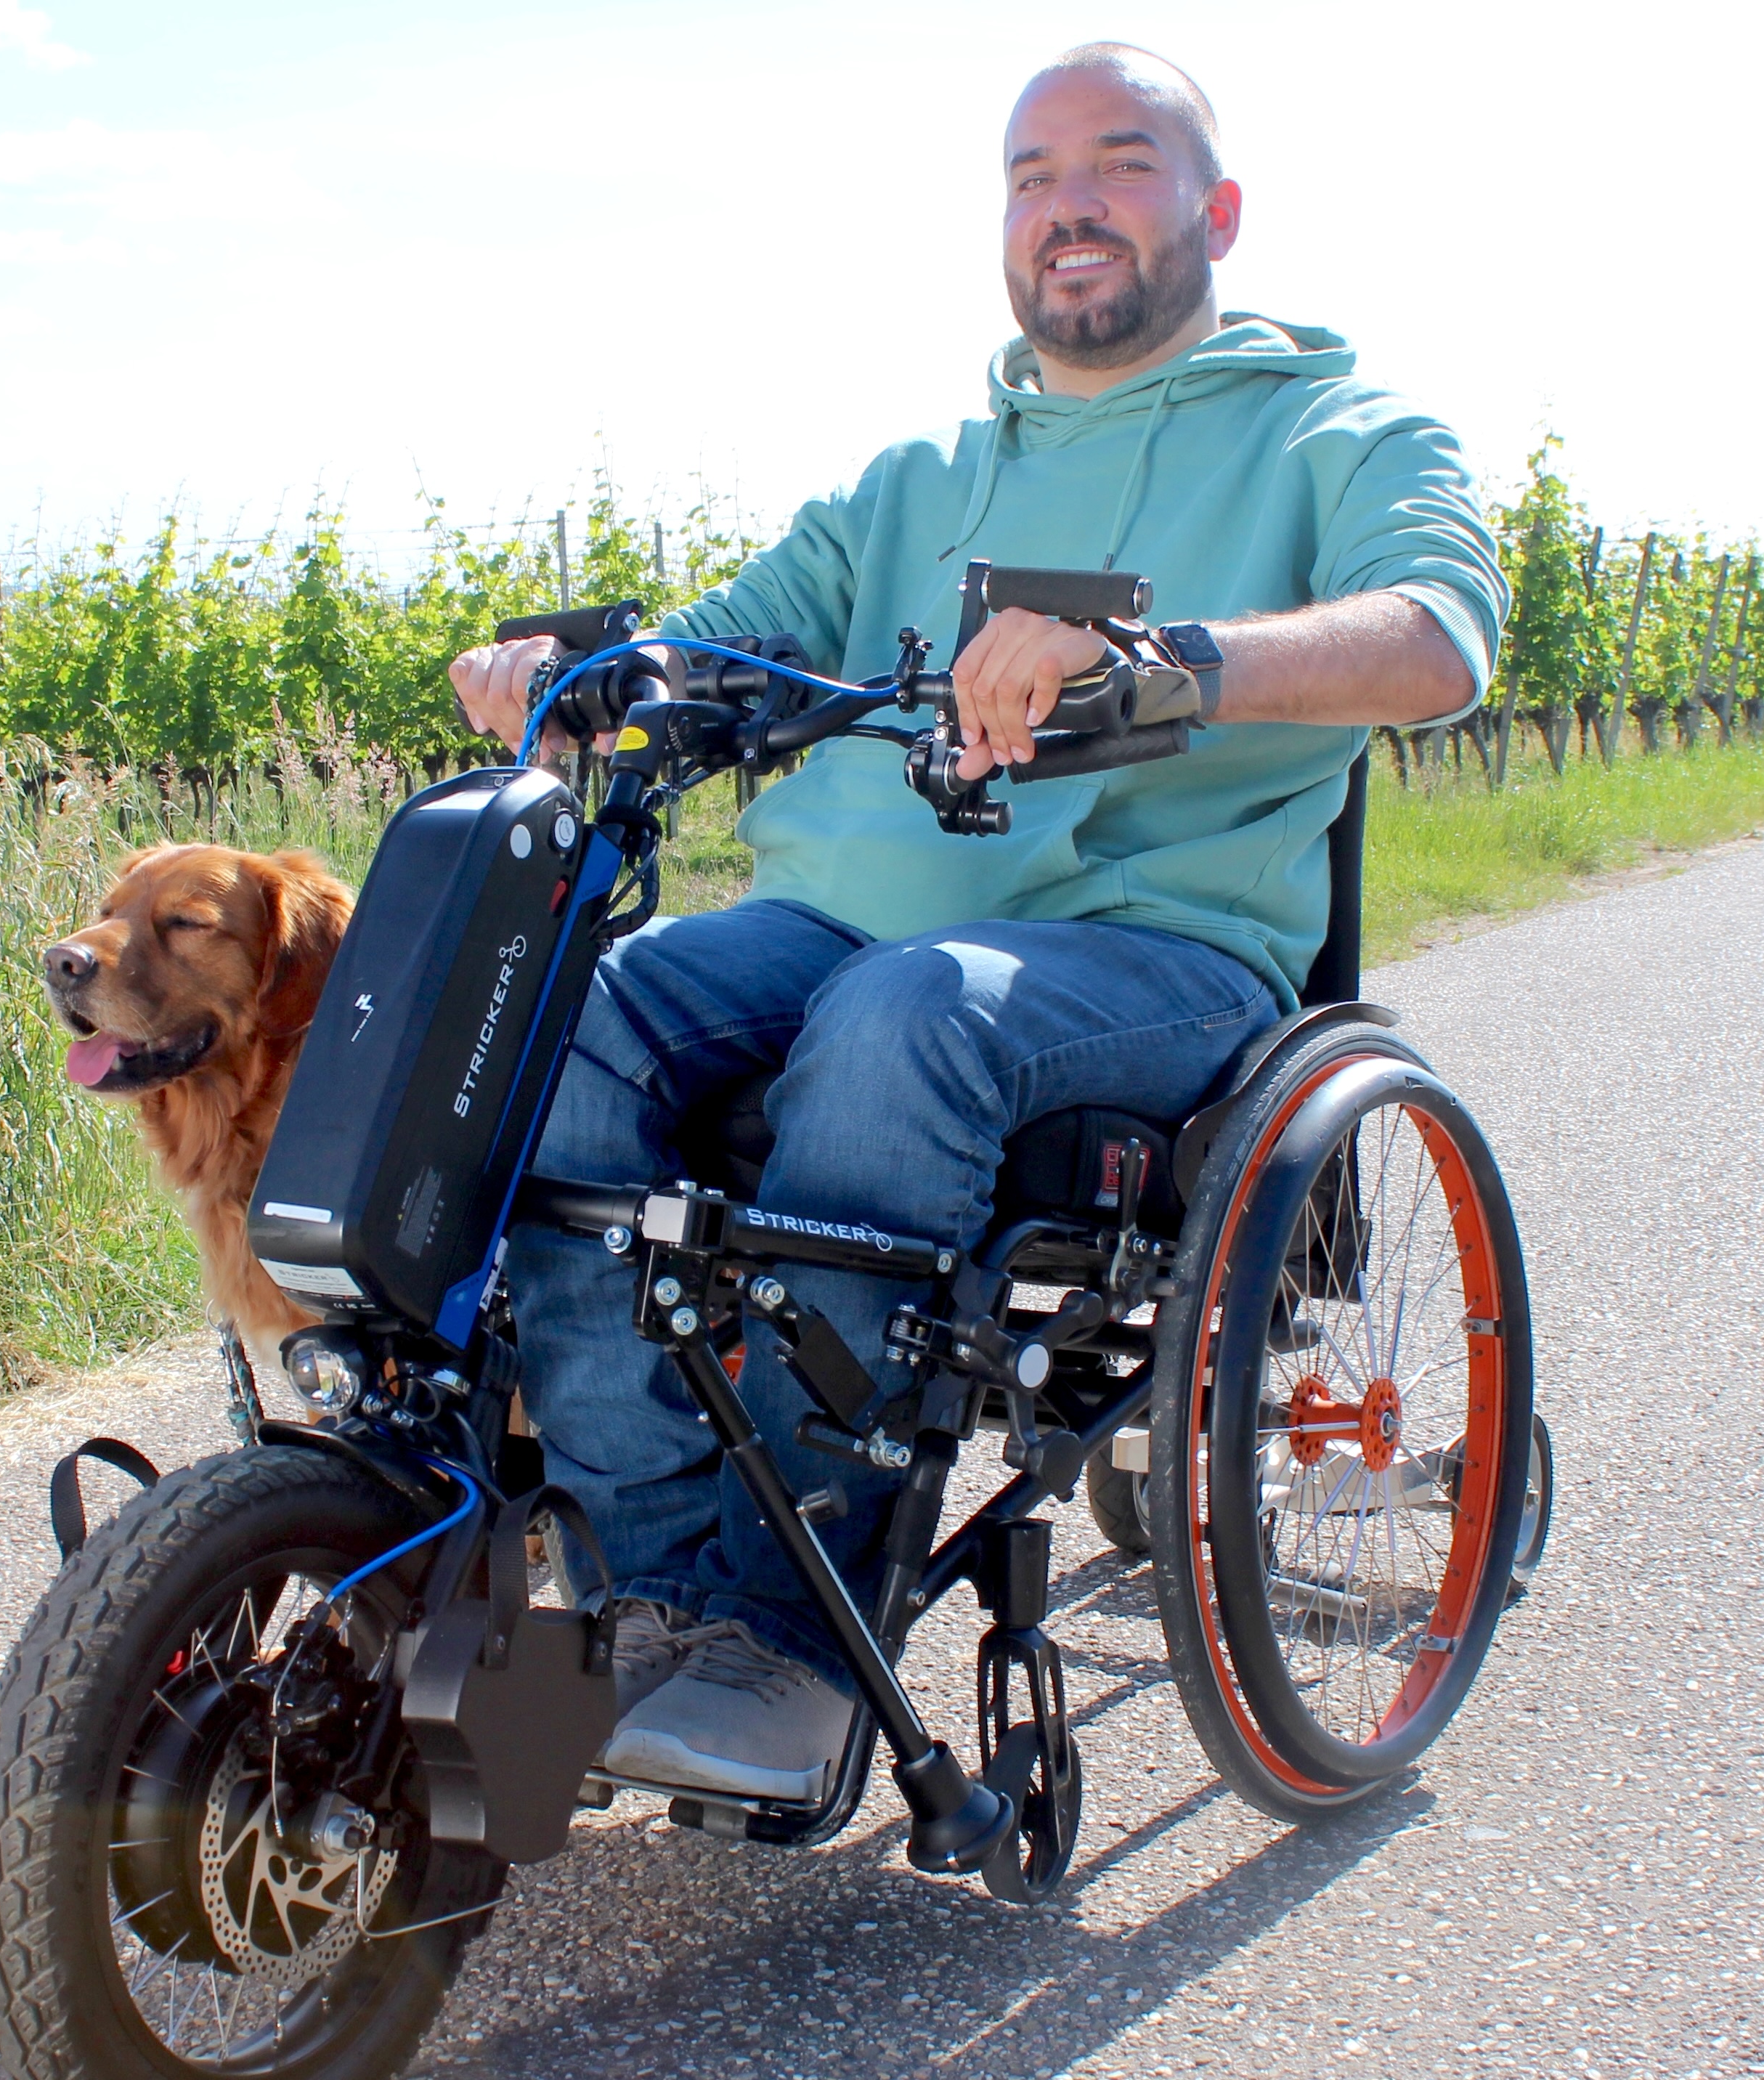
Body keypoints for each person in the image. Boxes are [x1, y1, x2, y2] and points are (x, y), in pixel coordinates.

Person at [449, 41, 1507, 1804]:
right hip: (851, 921)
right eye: (1032, 174)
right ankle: (645, 1605)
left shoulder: (1344, 431)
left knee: (910, 1020)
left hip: (1150, 948)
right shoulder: (922, 476)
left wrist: (1175, 662)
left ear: (1217, 210)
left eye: (1120, 162)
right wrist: (579, 675)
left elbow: (1442, 636)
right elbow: (726, 638)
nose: (1069, 203)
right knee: (591, 1005)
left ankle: (786, 1648)